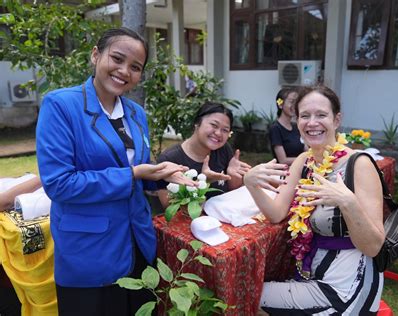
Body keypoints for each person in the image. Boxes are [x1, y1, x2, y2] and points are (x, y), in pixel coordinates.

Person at [36, 27, 195, 316]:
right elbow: (60, 184)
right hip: (89, 251)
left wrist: (159, 174)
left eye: (135, 67)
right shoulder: (61, 105)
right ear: (96, 55)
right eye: (118, 59)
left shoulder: (136, 113)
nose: (125, 71)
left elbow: (138, 169)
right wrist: (133, 174)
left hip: (137, 241)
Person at [244, 85, 385, 314]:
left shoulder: (359, 165)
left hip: (346, 287)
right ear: (297, 120)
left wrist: (348, 203)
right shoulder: (304, 160)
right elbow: (277, 213)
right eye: (304, 116)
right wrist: (251, 184)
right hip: (311, 273)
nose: (312, 123)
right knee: (248, 290)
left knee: (249, 296)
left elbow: (374, 246)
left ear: (336, 120)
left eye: (321, 115)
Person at [156, 101, 251, 208]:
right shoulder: (170, 159)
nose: (219, 133)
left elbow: (231, 193)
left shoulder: (223, 149)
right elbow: (170, 208)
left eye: (225, 130)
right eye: (214, 125)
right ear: (197, 123)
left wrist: (233, 177)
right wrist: (203, 183)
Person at [269, 87, 305, 165]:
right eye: (292, 102)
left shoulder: (296, 126)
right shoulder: (275, 128)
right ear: (280, 105)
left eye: (296, 102)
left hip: (300, 171)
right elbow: (283, 160)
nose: (294, 105)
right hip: (284, 174)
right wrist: (306, 159)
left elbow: (306, 149)